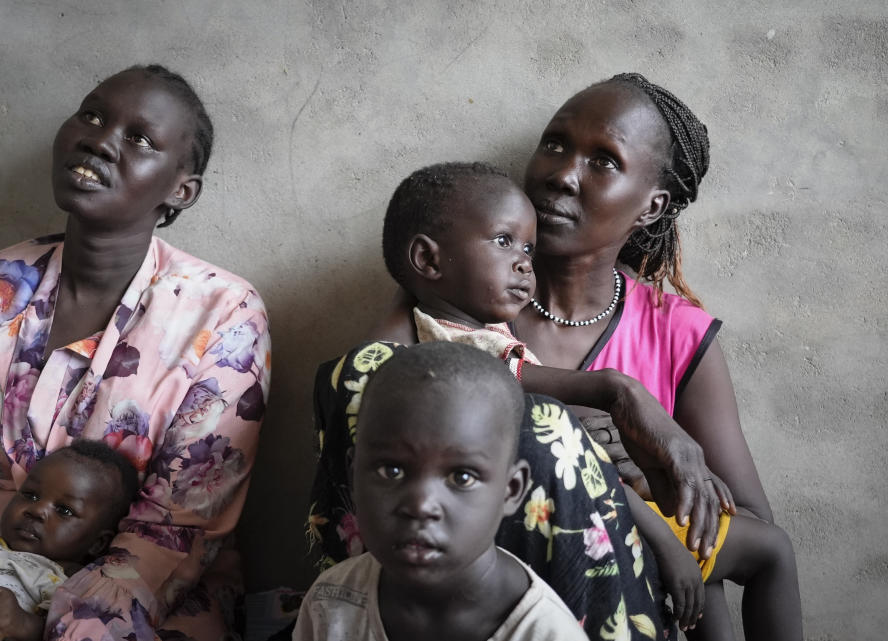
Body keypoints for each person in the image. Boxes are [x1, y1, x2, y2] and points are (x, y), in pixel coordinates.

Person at [379, 160, 799, 636]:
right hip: (600, 529)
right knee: (771, 551)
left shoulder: (468, 329)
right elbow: (570, 442)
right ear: (429, 261)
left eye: (527, 248)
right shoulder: (468, 350)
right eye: (503, 242)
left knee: (710, 588)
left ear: (653, 205)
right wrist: (614, 391)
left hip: (612, 510)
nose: (523, 261)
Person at [512, 73, 802, 640]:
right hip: (502, 585)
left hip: (635, 602)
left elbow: (752, 530)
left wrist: (647, 476)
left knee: (703, 582)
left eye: (603, 161)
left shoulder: (678, 335)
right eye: (555, 144)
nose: (562, 174)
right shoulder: (467, 295)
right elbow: (369, 387)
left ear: (652, 206)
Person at [0, 65, 271, 640]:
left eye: (140, 139)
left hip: (139, 588)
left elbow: (177, 527)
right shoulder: (5, 281)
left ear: (181, 190)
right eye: (92, 115)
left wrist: (41, 624)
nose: (98, 139)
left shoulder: (223, 314)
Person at [295, 343, 589, 641]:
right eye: (391, 471)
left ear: (511, 491)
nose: (421, 505)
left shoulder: (547, 633)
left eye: (462, 477)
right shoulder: (330, 604)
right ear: (353, 475)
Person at [0, 440, 138, 640]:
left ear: (97, 543)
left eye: (64, 510)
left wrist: (25, 625)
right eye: (30, 495)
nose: (36, 510)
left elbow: (74, 630)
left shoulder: (74, 584)